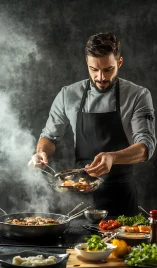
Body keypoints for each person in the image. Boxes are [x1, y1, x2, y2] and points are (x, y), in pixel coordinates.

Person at [29, 32, 156, 216]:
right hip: (78, 202)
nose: (100, 77)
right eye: (94, 69)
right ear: (87, 63)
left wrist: (113, 157)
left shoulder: (138, 95)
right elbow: (49, 136)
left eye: (108, 70)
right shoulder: (68, 95)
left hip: (120, 198)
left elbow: (146, 146)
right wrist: (41, 152)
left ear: (119, 63)